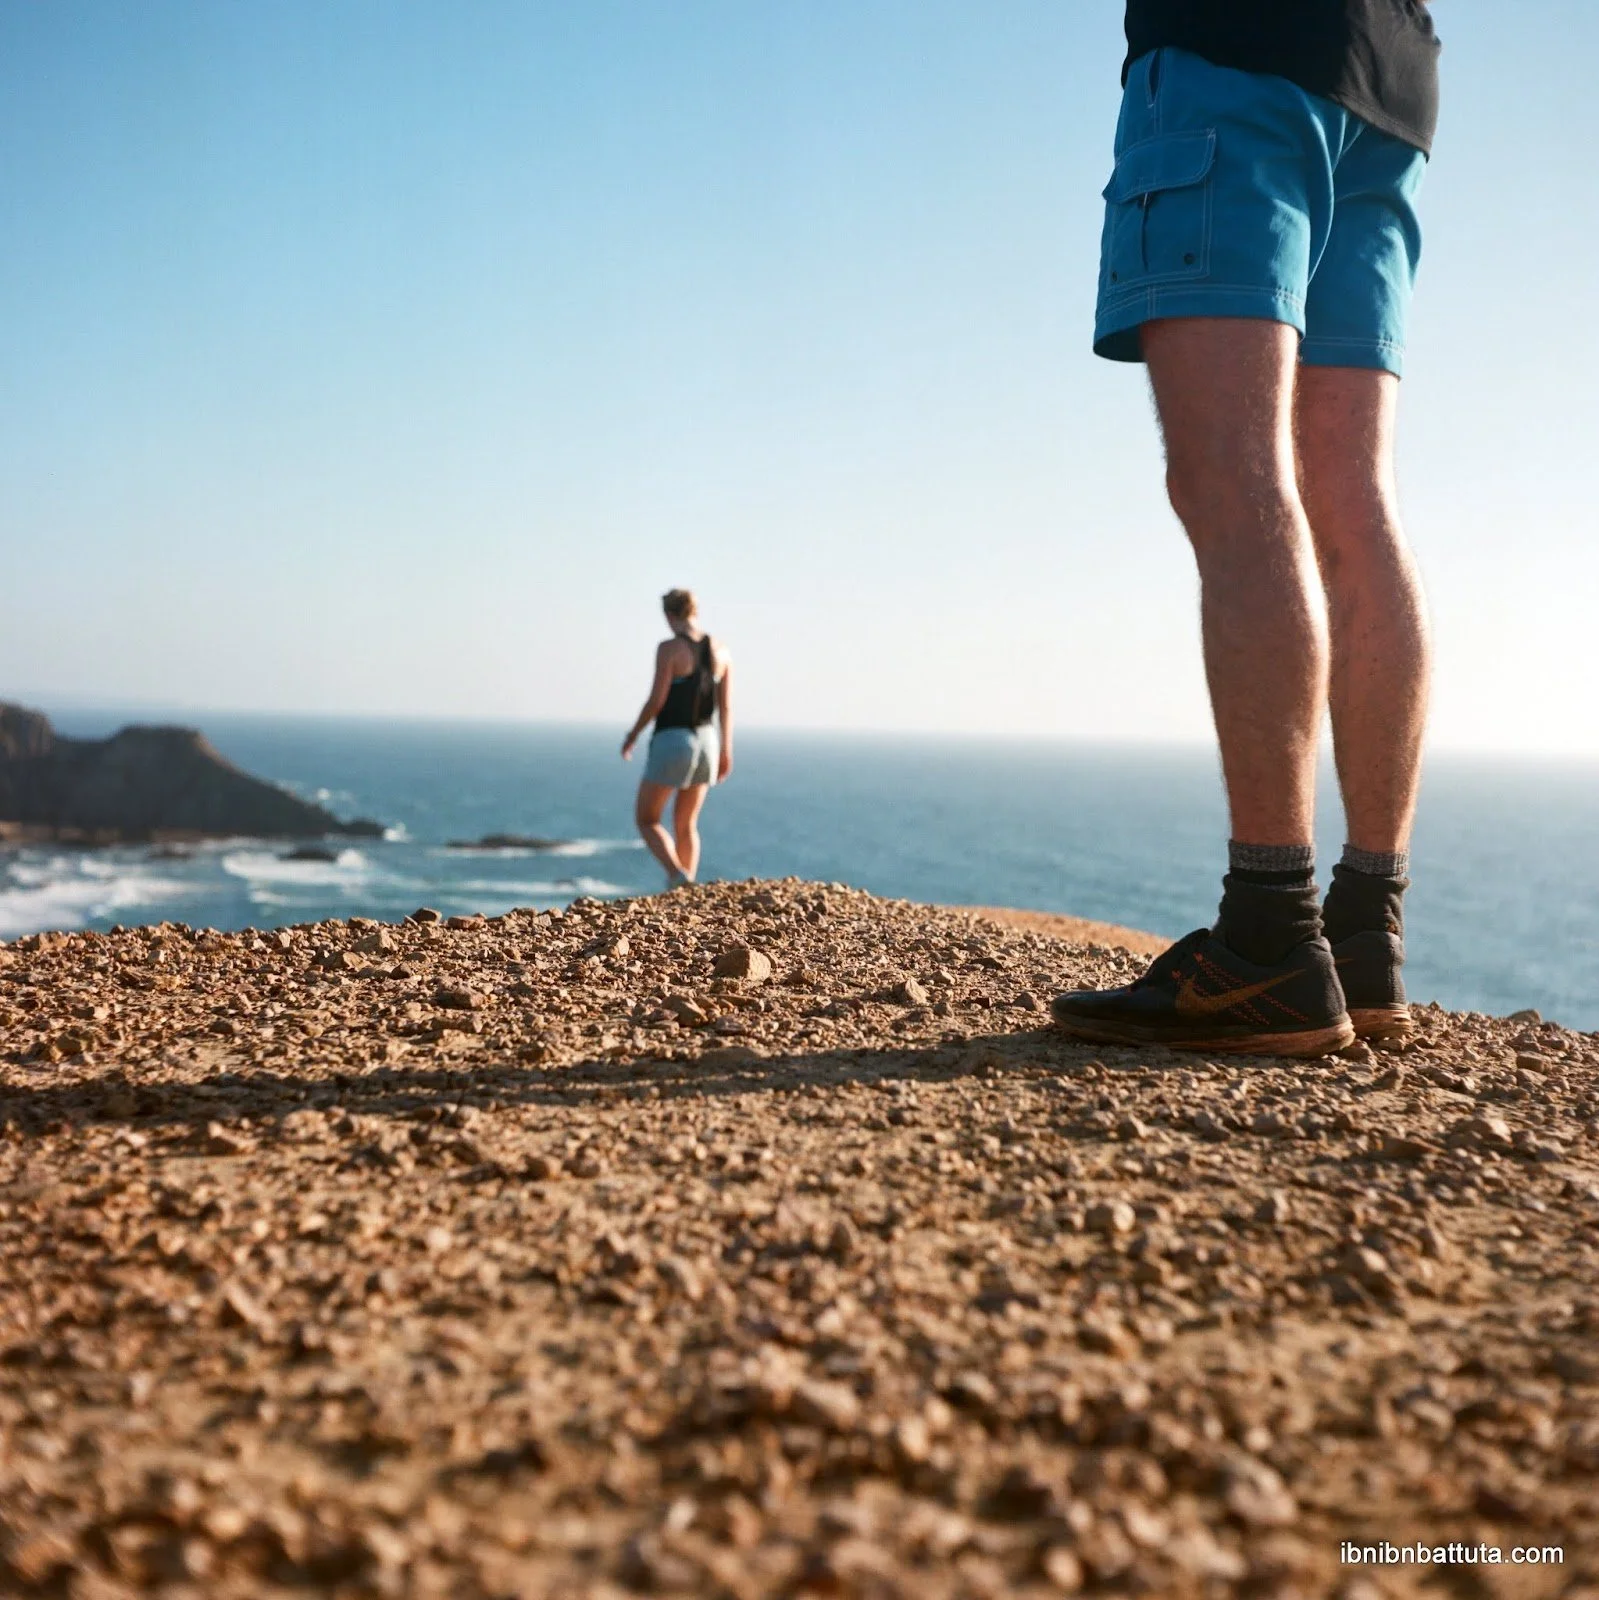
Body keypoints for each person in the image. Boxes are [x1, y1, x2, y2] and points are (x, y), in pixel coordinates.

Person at [1052, 0, 1440, 1056]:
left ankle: (1270, 930)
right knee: (1352, 491)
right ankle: (1365, 929)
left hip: (1237, 46)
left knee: (1233, 475)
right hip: (1388, 73)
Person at [621, 589, 734, 887]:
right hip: (708, 741)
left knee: (647, 819)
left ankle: (677, 875)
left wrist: (632, 735)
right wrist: (726, 750)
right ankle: (687, 893)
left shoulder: (669, 649)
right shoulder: (721, 650)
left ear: (669, 616)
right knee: (687, 824)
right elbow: (725, 707)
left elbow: (656, 701)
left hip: (674, 739)